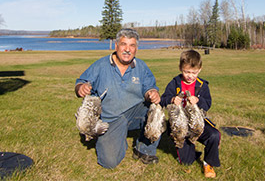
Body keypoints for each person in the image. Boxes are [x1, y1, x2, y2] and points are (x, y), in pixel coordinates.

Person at [75, 28, 161, 169]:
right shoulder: (100, 65)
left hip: (135, 113)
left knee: (155, 113)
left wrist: (152, 93)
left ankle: (144, 150)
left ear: (136, 48)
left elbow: (149, 87)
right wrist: (81, 88)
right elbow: (81, 81)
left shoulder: (141, 66)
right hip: (110, 119)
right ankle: (112, 137)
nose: (127, 49)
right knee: (109, 162)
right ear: (116, 46)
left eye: (132, 45)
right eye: (123, 44)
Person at [160, 49, 221, 178]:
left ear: (199, 70)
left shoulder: (202, 85)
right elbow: (163, 98)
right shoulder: (175, 82)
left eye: (194, 72)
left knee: (214, 135)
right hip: (180, 124)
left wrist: (198, 101)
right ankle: (191, 151)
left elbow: (208, 103)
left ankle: (208, 163)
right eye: (186, 72)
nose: (190, 76)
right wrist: (172, 99)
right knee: (187, 162)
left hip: (197, 120)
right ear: (180, 68)